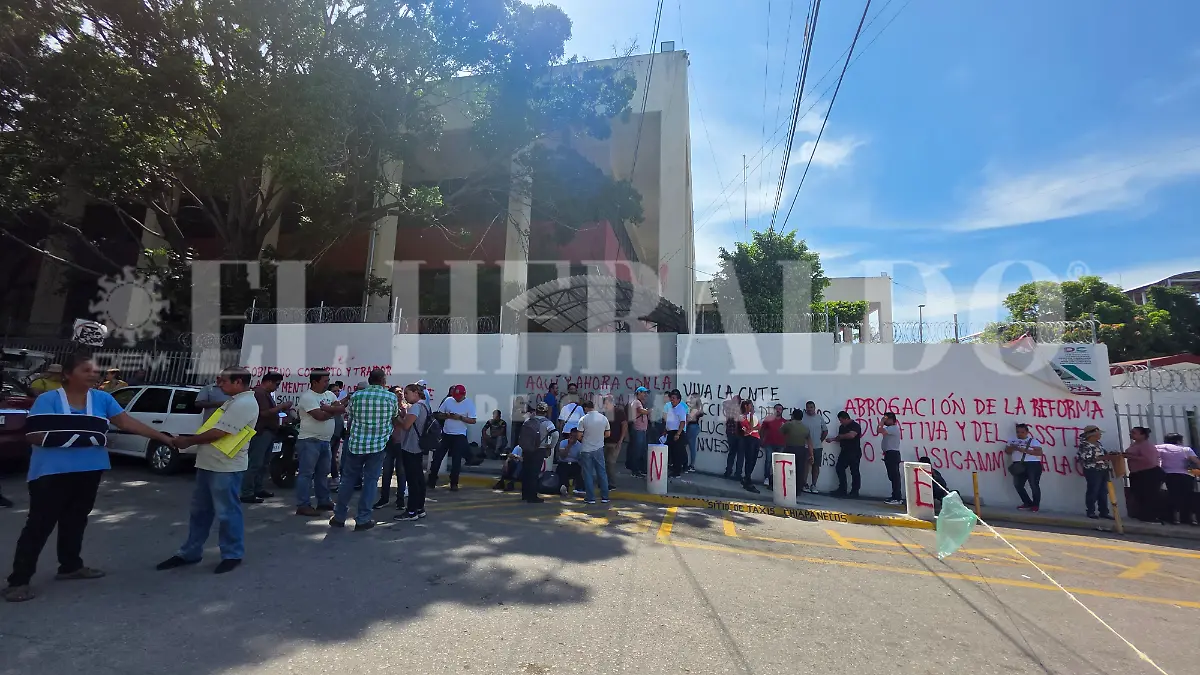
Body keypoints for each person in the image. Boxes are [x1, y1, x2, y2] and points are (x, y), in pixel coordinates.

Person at [4, 352, 174, 602]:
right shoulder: (48, 399)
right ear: (68, 375)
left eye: (95, 370)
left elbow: (127, 423)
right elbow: (34, 434)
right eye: (86, 370)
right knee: (39, 525)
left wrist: (165, 438)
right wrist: (86, 437)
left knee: (76, 520)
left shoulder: (103, 399)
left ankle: (70, 566)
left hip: (89, 470)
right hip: (51, 472)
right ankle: (18, 581)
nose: (94, 374)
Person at [155, 366, 259, 576]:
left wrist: (187, 441)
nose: (219, 384)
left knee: (227, 512)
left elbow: (219, 433)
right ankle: (190, 552)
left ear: (238, 382)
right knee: (200, 512)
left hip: (226, 467)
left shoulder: (245, 403)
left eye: (223, 381)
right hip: (208, 464)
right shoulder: (233, 400)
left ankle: (232, 554)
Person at [331, 369, 396, 530]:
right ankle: (363, 518)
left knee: (347, 481)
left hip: (356, 444)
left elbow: (350, 415)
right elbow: (394, 417)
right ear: (383, 381)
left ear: (369, 380)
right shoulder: (391, 397)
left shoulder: (357, 396)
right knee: (370, 482)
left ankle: (339, 516)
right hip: (378, 445)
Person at [294, 370, 344, 517]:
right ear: (314, 382)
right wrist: (331, 411)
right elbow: (319, 416)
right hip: (310, 440)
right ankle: (303, 505)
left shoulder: (329, 395)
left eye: (328, 380)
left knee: (323, 473)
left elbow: (341, 408)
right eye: (324, 381)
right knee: (306, 474)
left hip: (325, 440)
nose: (327, 383)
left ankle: (323, 500)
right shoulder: (308, 397)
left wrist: (327, 408)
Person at [241, 372, 290, 504]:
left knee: (263, 463)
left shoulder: (267, 394)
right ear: (268, 382)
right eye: (276, 384)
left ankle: (258, 488)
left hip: (269, 432)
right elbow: (263, 413)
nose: (277, 387)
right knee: (255, 463)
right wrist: (281, 406)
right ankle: (246, 492)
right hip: (261, 432)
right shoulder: (259, 393)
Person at [393, 383, 433, 522]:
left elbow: (406, 425)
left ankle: (411, 511)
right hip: (419, 446)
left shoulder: (416, 407)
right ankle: (420, 508)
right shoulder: (425, 405)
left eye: (407, 393)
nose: (405, 396)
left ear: (416, 392)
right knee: (419, 479)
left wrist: (396, 417)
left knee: (412, 480)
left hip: (411, 447)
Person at [429, 384, 476, 491]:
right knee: (437, 458)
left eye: (458, 397)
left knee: (456, 460)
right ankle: (431, 480)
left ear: (464, 395)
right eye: (455, 396)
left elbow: (473, 420)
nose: (456, 399)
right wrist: (447, 415)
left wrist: (460, 417)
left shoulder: (469, 403)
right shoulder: (448, 400)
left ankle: (454, 483)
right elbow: (439, 414)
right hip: (446, 433)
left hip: (459, 435)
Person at [1122, 427, 1166, 522]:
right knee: (1139, 495)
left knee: (1149, 495)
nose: (1131, 434)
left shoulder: (1146, 446)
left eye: (1134, 433)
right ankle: (1143, 515)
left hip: (1148, 473)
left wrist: (1128, 456)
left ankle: (1151, 516)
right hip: (1137, 474)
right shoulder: (1135, 444)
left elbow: (1148, 460)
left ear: (1143, 435)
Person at [518, 402, 558, 504]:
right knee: (534, 473)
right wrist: (551, 446)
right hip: (539, 449)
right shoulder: (547, 423)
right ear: (545, 412)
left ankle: (525, 494)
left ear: (536, 410)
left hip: (527, 449)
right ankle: (532, 496)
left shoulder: (528, 420)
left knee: (526, 471)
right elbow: (555, 434)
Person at [1157, 433, 1200, 526]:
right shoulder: (1186, 449)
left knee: (1173, 495)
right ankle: (1192, 519)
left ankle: (1175, 518)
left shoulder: (1159, 447)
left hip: (1169, 474)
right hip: (1187, 475)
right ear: (1179, 441)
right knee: (1189, 496)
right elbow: (1196, 461)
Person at [1076, 425, 1118, 520]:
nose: (1100, 436)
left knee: (1103, 491)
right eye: (1098, 434)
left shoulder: (1098, 444)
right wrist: (1104, 458)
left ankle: (1103, 511)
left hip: (1103, 469)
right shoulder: (1085, 445)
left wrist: (1110, 455)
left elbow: (1103, 454)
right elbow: (1085, 459)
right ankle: (1091, 511)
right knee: (1093, 490)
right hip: (1092, 470)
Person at [576, 400, 611, 504]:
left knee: (588, 474)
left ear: (586, 408)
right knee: (602, 473)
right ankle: (605, 497)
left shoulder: (583, 419)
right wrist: (599, 438)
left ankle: (590, 498)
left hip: (586, 449)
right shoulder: (603, 418)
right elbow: (608, 434)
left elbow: (579, 436)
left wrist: (586, 439)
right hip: (599, 448)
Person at [1003, 423, 1045, 512]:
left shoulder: (1033, 441)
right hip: (1019, 464)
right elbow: (1007, 451)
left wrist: (1024, 450)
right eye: (1018, 432)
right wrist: (1014, 448)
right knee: (1018, 485)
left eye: (1022, 432)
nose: (1020, 434)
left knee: (1033, 485)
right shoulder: (1012, 441)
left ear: (1027, 432)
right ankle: (1027, 503)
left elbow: (1039, 453)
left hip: (1032, 464)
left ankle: (1035, 505)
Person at [826, 411, 862, 498]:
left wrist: (841, 436)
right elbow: (840, 438)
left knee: (854, 472)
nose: (840, 422)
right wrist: (833, 439)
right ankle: (842, 489)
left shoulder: (855, 425)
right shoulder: (842, 427)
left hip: (854, 451)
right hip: (844, 451)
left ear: (846, 418)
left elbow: (852, 435)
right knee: (839, 468)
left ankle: (855, 491)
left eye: (841, 420)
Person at [780, 409, 813, 498]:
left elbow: (781, 432)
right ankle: (798, 490)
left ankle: (785, 488)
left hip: (790, 448)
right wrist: (811, 454)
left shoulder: (789, 424)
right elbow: (809, 441)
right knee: (800, 470)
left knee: (786, 469)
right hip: (802, 450)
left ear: (793, 416)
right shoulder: (805, 427)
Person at [800, 401, 828, 493]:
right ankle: (804, 484)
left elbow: (825, 431)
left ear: (814, 408)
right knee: (805, 467)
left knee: (816, 466)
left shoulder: (819, 418)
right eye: (808, 407)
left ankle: (814, 485)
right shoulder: (802, 418)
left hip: (817, 447)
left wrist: (820, 440)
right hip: (805, 446)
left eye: (811, 407)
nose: (809, 409)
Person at [878, 412, 904, 506]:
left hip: (892, 454)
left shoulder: (893, 428)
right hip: (889, 454)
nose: (884, 420)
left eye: (886, 419)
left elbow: (879, 430)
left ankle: (897, 497)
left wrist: (881, 421)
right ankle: (894, 496)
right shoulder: (890, 428)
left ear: (891, 420)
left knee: (894, 476)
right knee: (892, 476)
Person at [759, 404, 787, 489]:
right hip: (769, 443)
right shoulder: (768, 419)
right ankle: (767, 478)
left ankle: (775, 479)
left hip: (781, 444)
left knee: (778, 463)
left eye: (780, 409)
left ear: (782, 411)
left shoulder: (785, 422)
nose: (778, 410)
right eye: (776, 409)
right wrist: (761, 440)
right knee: (768, 461)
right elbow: (762, 430)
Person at [602, 393, 627, 487]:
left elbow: (624, 426)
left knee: (611, 463)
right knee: (604, 463)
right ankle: (604, 482)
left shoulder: (619, 412)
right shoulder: (605, 413)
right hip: (605, 442)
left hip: (615, 442)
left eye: (606, 402)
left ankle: (612, 483)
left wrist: (620, 440)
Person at [663, 390, 688, 478]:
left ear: (678, 399)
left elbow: (682, 422)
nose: (672, 400)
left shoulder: (680, 408)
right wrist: (666, 430)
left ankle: (677, 472)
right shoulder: (671, 408)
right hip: (670, 432)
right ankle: (673, 470)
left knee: (677, 453)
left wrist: (678, 434)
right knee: (672, 452)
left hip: (677, 433)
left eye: (674, 398)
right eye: (671, 398)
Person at [738, 399, 761, 494]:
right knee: (749, 459)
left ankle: (747, 477)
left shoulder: (754, 416)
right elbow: (750, 427)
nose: (752, 407)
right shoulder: (742, 417)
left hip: (756, 437)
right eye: (750, 405)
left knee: (754, 460)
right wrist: (750, 416)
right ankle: (748, 479)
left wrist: (752, 428)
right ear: (746, 406)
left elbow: (758, 426)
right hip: (749, 439)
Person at [627, 387, 650, 478]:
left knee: (642, 450)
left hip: (642, 430)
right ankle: (635, 470)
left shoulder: (639, 402)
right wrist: (649, 411)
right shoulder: (637, 402)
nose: (645, 395)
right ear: (639, 393)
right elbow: (642, 411)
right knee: (637, 451)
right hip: (638, 430)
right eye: (644, 393)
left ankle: (641, 469)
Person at [555, 428, 586, 496]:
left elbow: (580, 459)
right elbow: (563, 456)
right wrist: (569, 445)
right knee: (562, 472)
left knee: (578, 472)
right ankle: (563, 488)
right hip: (563, 463)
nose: (573, 438)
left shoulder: (580, 445)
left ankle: (580, 489)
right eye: (572, 436)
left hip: (574, 463)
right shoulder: (563, 443)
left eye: (575, 436)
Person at [329, 381, 347, 488]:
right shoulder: (329, 401)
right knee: (329, 456)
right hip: (331, 432)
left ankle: (335, 477)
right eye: (334, 391)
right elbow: (337, 407)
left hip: (337, 432)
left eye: (338, 391)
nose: (336, 393)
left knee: (333, 457)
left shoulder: (337, 401)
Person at [722, 395, 744, 481]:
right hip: (732, 433)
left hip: (739, 434)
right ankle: (729, 471)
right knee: (733, 453)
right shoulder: (730, 408)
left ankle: (737, 473)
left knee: (739, 454)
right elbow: (724, 403)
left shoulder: (741, 409)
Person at [684, 393, 703, 473]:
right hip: (693, 427)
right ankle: (689, 464)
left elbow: (689, 419)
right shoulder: (695, 408)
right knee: (689, 446)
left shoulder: (695, 409)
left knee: (690, 446)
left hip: (692, 427)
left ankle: (691, 465)